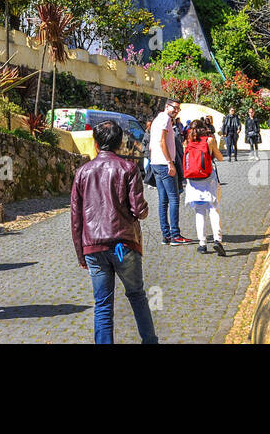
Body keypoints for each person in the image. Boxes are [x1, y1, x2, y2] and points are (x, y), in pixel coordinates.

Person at [70, 120, 158, 344]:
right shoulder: (128, 169)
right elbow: (139, 210)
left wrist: (81, 254)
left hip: (94, 247)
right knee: (137, 296)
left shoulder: (82, 172)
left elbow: (76, 219)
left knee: (102, 305)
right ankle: (150, 341)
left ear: (96, 143)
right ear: (120, 142)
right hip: (123, 244)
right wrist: (144, 208)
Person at [148, 99, 193, 245]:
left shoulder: (156, 119)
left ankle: (166, 235)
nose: (176, 111)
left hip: (155, 162)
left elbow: (151, 145)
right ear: (167, 106)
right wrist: (169, 162)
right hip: (164, 164)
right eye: (174, 108)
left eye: (178, 109)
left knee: (163, 200)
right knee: (173, 199)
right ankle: (175, 235)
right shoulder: (165, 119)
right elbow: (161, 141)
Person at [182, 119, 226, 255]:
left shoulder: (187, 142)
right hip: (208, 179)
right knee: (213, 209)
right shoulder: (209, 140)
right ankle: (217, 240)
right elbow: (220, 158)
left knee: (199, 212)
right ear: (204, 128)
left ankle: (202, 243)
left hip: (193, 181)